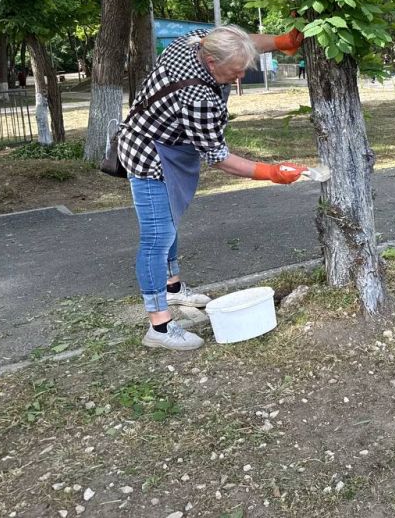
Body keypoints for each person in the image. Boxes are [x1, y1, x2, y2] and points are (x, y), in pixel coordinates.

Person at [117, 25, 308, 351]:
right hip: (148, 154)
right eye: (233, 72)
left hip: (170, 145)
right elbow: (218, 157)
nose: (236, 78)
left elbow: (246, 43)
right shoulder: (198, 95)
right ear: (209, 62)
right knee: (157, 236)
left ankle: (173, 289)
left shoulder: (198, 39)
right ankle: (159, 327)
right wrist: (271, 172)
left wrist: (280, 42)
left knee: (170, 219)